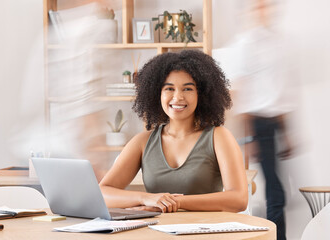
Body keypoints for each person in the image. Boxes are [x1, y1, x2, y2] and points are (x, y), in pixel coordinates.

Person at [99, 50, 248, 213]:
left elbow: (239, 199)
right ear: (157, 94)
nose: (178, 97)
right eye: (169, 89)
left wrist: (176, 201)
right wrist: (146, 198)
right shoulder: (142, 142)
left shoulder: (218, 137)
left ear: (202, 94)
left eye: (188, 89)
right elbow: (103, 192)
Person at [229, 1, 296, 239]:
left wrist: (287, 134)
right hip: (258, 123)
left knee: (280, 191)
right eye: (258, 6)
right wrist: (248, 138)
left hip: (275, 121)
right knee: (276, 193)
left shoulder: (278, 41)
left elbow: (281, 90)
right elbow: (240, 92)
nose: (264, 10)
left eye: (267, 5)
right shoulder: (246, 43)